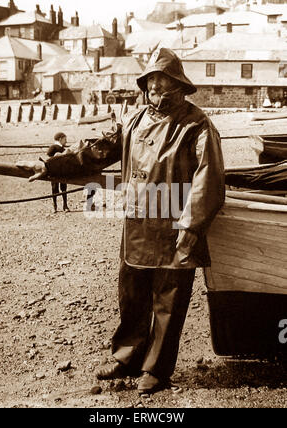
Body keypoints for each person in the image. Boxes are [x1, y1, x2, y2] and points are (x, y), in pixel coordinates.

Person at [18, 48, 225, 395]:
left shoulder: (197, 125)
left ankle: (156, 370)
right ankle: (126, 356)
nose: (157, 88)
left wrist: (191, 228)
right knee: (131, 296)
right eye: (152, 81)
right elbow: (95, 151)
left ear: (178, 85)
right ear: (146, 86)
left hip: (176, 230)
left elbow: (209, 180)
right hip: (137, 227)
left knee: (168, 303)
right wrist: (50, 166)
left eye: (164, 81)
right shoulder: (134, 120)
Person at [47, 132, 70, 213]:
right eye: (65, 139)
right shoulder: (53, 147)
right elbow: (49, 154)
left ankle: (65, 205)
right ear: (60, 139)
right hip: (54, 172)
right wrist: (57, 155)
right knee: (54, 189)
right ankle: (55, 206)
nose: (66, 141)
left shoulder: (63, 148)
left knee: (64, 188)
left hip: (62, 171)